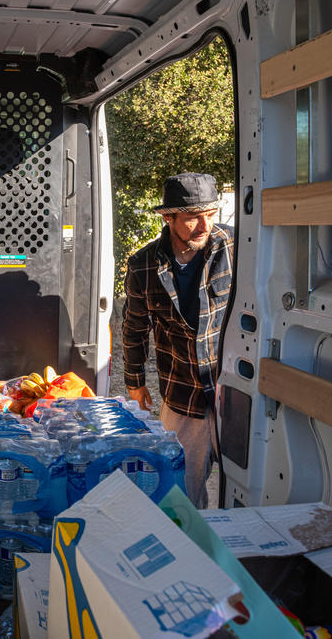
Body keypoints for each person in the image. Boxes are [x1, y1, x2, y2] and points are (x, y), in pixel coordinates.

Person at [122, 172, 233, 509]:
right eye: (192, 218)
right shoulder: (142, 265)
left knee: (247, 487)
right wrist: (135, 382)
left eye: (210, 215)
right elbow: (135, 327)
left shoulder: (237, 248)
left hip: (235, 392)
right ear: (168, 218)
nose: (204, 225)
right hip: (182, 395)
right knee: (180, 496)